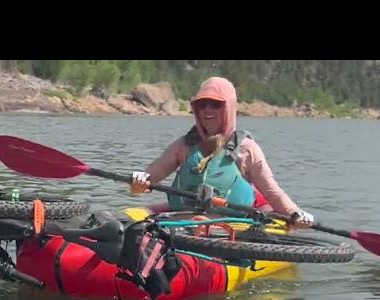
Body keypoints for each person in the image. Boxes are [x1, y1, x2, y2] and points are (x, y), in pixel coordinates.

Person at [130, 77, 314, 226]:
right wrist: (140, 182)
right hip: (184, 220)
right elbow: (149, 178)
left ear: (229, 107)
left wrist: (294, 213)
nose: (207, 110)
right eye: (202, 105)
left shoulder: (246, 149)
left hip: (232, 226)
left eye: (215, 104)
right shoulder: (184, 145)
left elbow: (273, 192)